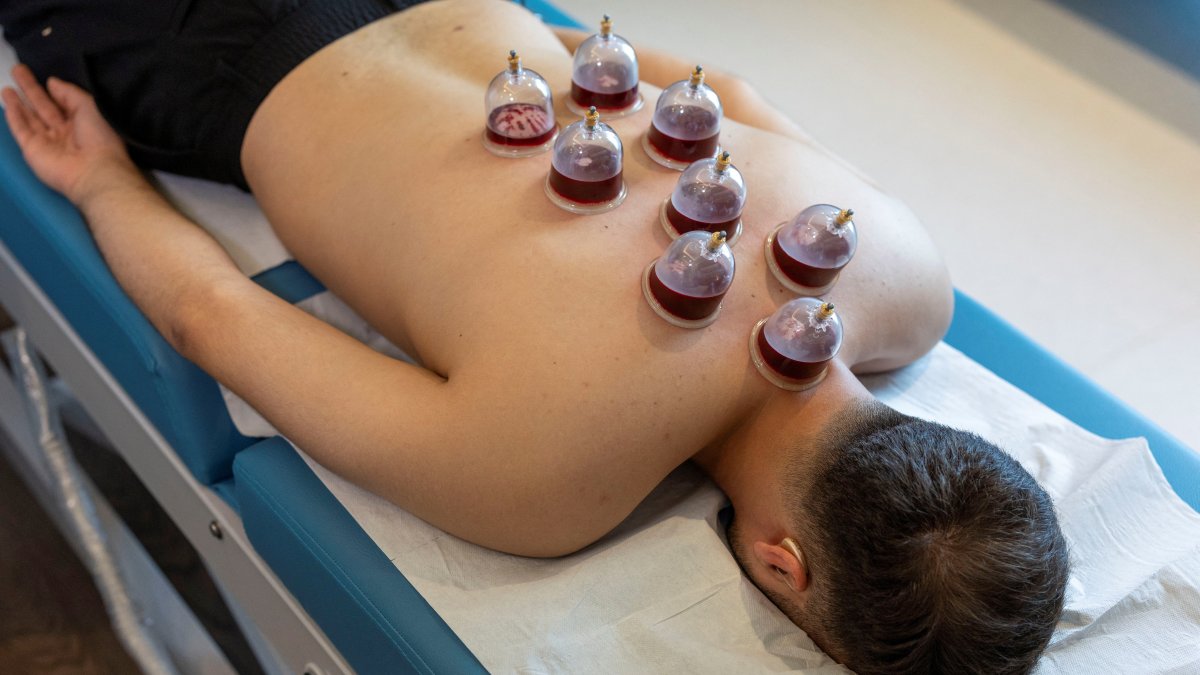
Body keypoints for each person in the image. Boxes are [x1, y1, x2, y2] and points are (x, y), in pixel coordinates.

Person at [0, 0, 1069, 671]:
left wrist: (545, 44)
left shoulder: (908, 274)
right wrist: (97, 179)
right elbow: (209, 315)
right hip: (204, 44)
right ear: (784, 569)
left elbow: (728, 94)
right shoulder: (542, 481)